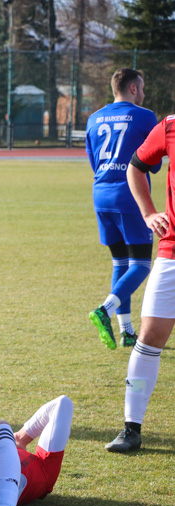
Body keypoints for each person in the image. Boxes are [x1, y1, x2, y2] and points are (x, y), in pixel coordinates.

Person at [104, 111, 175, 453]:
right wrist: (148, 213)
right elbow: (136, 166)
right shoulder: (170, 126)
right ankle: (131, 429)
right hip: (172, 252)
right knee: (149, 336)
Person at [86, 69, 160, 350]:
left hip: (101, 194)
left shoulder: (94, 118)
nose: (143, 93)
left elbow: (94, 162)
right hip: (129, 196)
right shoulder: (144, 116)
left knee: (120, 263)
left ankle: (126, 330)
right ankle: (105, 309)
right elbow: (151, 164)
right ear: (132, 88)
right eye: (141, 88)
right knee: (141, 264)